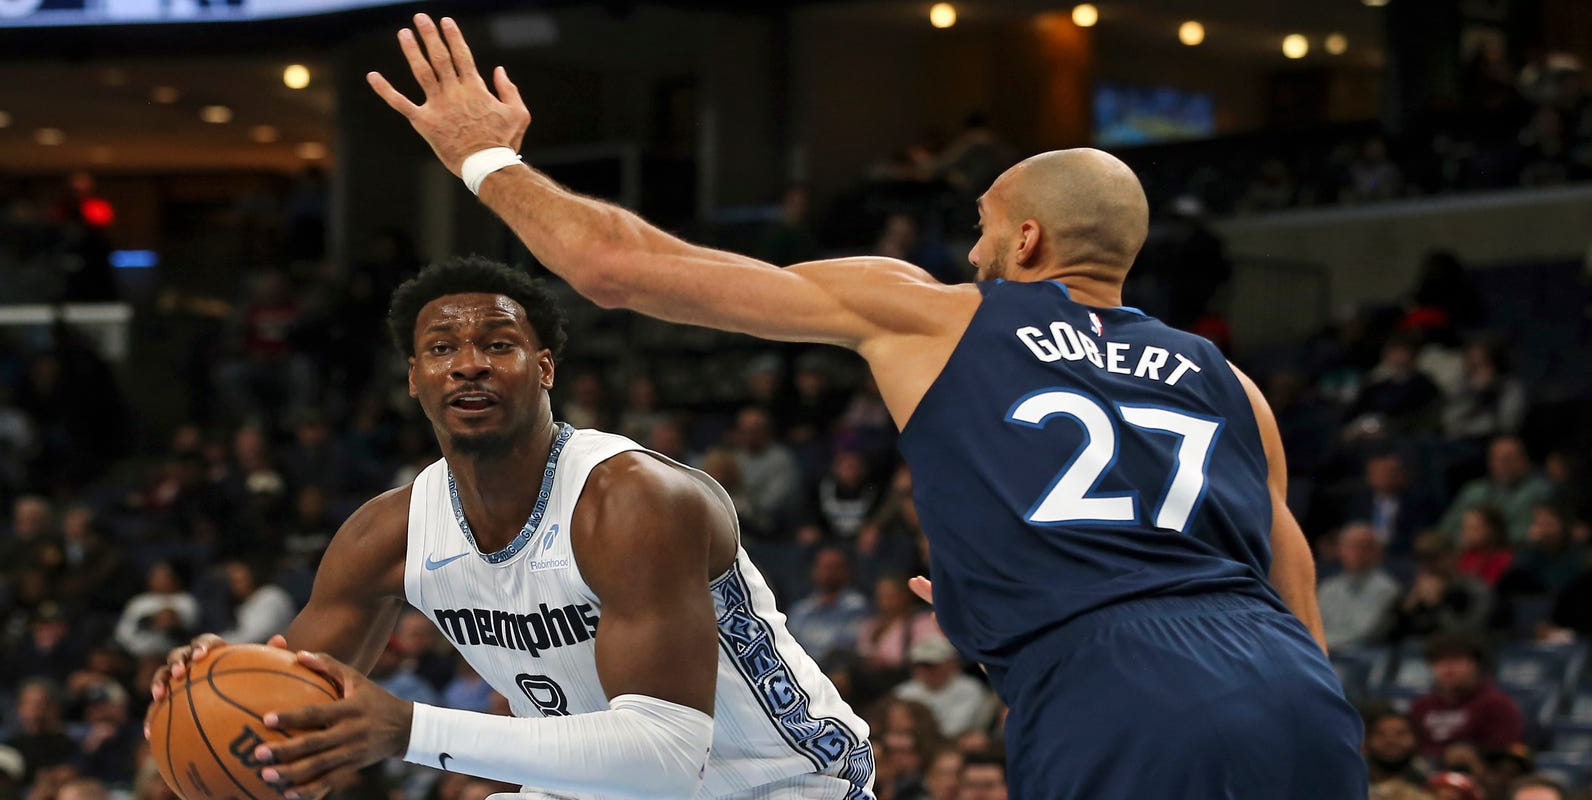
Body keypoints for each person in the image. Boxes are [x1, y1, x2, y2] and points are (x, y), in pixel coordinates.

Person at [364, 13, 1365, 796]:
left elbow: (617, 268)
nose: (968, 252)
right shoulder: (1228, 382)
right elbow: (1296, 596)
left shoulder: (940, 314)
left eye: (979, 230)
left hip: (1115, 689)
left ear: (1021, 244)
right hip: (1293, 692)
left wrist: (482, 158)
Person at [150, 256, 872, 800]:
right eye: (442, 349)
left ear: (545, 366)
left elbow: (667, 752)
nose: (469, 364)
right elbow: (290, 703)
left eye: (499, 344)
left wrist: (409, 730)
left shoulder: (632, 501)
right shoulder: (389, 534)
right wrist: (213, 678)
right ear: (413, 377)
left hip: (778, 785)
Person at [1409, 635, 1524, 758]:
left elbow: (1503, 753)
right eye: (1439, 662)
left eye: (1456, 661)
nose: (1448, 669)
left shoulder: (1496, 704)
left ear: (1474, 665)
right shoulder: (1421, 705)